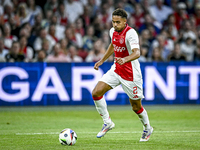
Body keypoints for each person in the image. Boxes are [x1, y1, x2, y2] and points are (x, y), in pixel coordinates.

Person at [92, 8, 153, 142]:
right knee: (96, 92)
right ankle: (107, 122)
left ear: (125, 22)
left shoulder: (131, 33)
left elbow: (137, 53)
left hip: (131, 74)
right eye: (113, 22)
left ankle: (147, 128)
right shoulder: (112, 31)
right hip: (117, 69)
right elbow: (113, 45)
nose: (114, 25)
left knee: (136, 106)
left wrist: (125, 59)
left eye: (118, 22)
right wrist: (102, 60)